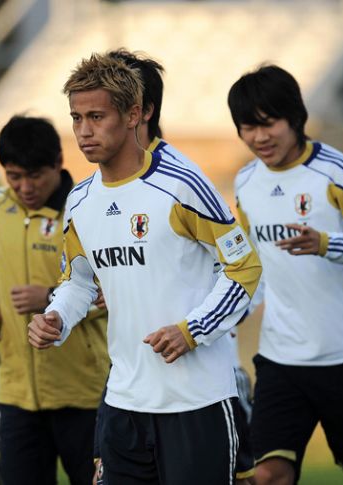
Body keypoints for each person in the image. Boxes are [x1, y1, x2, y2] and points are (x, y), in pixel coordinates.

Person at [29, 53, 262, 484]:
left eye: (96, 116)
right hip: (123, 401)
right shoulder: (79, 202)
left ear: (135, 113)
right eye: (77, 117)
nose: (83, 131)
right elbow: (77, 282)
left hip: (196, 403)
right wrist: (56, 318)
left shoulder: (181, 184)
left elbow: (244, 267)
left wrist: (192, 329)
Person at [227, 65, 343, 485]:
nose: (259, 138)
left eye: (268, 124)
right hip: (280, 359)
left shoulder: (337, 171)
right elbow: (253, 266)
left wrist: (327, 243)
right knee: (267, 474)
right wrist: (224, 315)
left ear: (295, 117)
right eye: (247, 127)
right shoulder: (246, 181)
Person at [0, 115, 110, 485]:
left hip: (81, 393)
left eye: (34, 175)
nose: (24, 187)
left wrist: (50, 297)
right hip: (16, 393)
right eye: (14, 176)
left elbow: (114, 292)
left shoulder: (85, 211)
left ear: (56, 164)